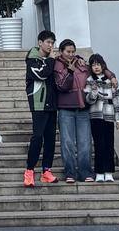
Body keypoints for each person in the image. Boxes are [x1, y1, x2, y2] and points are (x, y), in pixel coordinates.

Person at [52, 40, 91, 183]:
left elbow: (97, 70)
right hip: (66, 109)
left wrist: (111, 76)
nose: (71, 54)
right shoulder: (57, 65)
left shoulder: (81, 63)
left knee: (85, 142)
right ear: (61, 51)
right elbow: (62, 86)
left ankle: (85, 172)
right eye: (68, 52)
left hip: (83, 108)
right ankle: (70, 173)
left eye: (73, 51)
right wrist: (70, 71)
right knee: (67, 142)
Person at [24, 29, 58, 188]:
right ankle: (29, 171)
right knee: (37, 137)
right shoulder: (32, 59)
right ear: (40, 43)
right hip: (38, 103)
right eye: (48, 42)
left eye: (52, 43)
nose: (51, 45)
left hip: (52, 103)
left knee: (50, 138)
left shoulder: (52, 59)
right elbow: (41, 74)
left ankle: (46, 171)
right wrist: (50, 60)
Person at [85, 53, 118, 182]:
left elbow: (116, 99)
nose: (96, 67)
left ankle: (109, 172)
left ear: (103, 65)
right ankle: (99, 172)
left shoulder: (110, 80)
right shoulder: (89, 80)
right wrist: (93, 92)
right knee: (99, 144)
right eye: (93, 65)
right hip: (96, 116)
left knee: (109, 144)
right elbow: (88, 100)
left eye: (98, 64)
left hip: (109, 115)